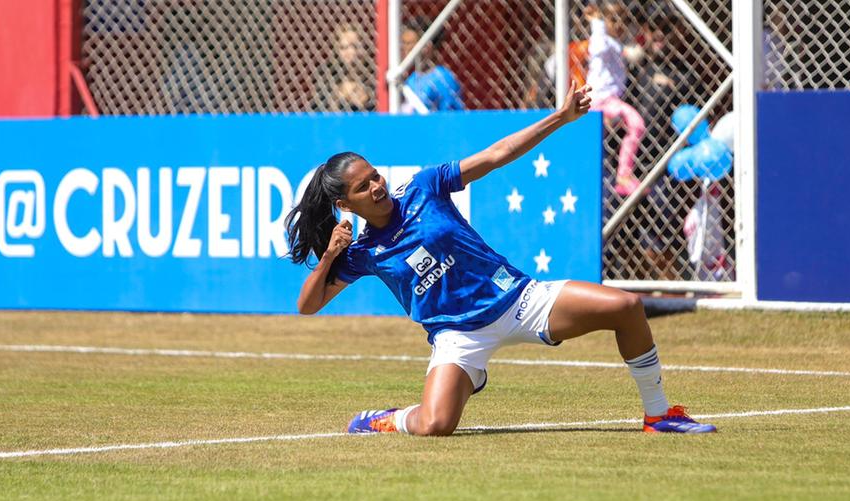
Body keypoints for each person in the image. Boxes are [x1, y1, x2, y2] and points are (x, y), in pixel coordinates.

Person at [284, 83, 716, 437]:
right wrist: (330, 258)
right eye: (362, 188)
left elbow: (496, 155)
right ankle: (386, 419)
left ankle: (660, 416)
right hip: (457, 336)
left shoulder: (422, 188)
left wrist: (559, 118)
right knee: (435, 426)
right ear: (345, 204)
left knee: (625, 306)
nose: (376, 186)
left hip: (519, 300)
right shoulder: (362, 253)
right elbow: (308, 305)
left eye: (374, 175)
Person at [583, 2, 647, 197]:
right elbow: (598, 47)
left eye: (623, 20)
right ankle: (623, 176)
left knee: (633, 127)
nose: (619, 25)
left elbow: (629, 53)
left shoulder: (616, 44)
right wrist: (597, 22)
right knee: (635, 123)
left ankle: (621, 176)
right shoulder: (600, 40)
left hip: (610, 102)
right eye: (613, 20)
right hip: (597, 100)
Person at [400, 17, 465, 112]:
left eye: (409, 43)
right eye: (404, 43)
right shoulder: (412, 79)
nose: (405, 49)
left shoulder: (442, 77)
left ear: (427, 45)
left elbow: (452, 116)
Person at [312, 24, 376, 112]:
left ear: (364, 47)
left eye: (355, 46)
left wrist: (367, 96)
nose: (351, 52)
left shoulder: (374, 71)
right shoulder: (328, 71)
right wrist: (340, 93)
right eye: (343, 47)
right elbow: (318, 106)